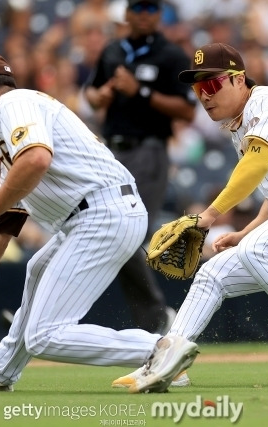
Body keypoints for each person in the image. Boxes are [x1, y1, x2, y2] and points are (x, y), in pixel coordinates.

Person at [113, 43, 268, 391]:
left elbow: (257, 163)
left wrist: (210, 215)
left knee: (256, 249)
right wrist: (247, 231)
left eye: (212, 84)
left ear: (239, 79)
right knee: (212, 273)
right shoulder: (238, 126)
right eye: (198, 88)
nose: (204, 95)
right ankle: (169, 361)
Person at [0, 54, 198, 393]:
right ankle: (2, 368)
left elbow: (36, 159)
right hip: (97, 213)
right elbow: (4, 229)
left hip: (102, 212)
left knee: (44, 336)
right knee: (36, 267)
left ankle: (159, 350)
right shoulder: (10, 129)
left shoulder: (11, 104)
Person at [84, 0, 196, 336]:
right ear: (128, 13)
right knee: (108, 234)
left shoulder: (171, 55)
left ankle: (158, 321)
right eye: (139, 7)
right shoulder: (113, 50)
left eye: (151, 8)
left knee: (127, 235)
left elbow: (188, 111)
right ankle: (157, 321)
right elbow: (90, 92)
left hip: (148, 151)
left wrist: (142, 92)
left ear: (159, 14)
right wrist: (99, 96)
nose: (145, 14)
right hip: (111, 152)